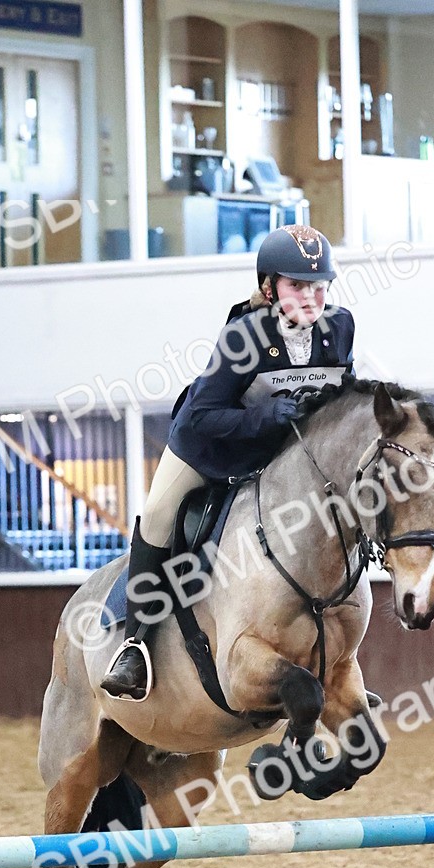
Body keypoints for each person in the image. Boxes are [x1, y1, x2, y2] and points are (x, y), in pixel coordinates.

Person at [102, 224, 355, 701]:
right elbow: (201, 417)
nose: (311, 297)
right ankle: (133, 644)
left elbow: (343, 399)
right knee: (158, 515)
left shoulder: (339, 328)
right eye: (296, 285)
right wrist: (267, 416)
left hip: (279, 460)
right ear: (268, 288)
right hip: (210, 449)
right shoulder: (244, 335)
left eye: (319, 285)